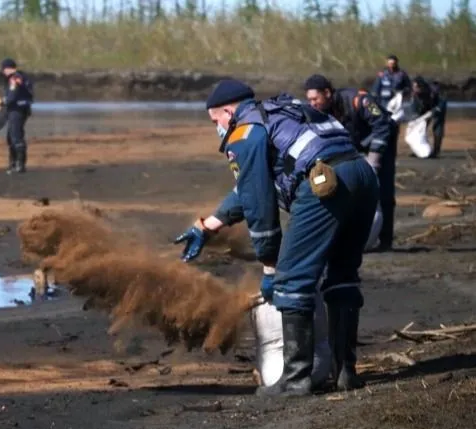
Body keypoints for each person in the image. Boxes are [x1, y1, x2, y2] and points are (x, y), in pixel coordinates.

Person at [174, 79, 379, 397]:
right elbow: (250, 187)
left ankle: (295, 380)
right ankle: (345, 372)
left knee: (292, 280)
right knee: (342, 275)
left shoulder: (245, 131)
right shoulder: (287, 110)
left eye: (216, 121)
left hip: (325, 184)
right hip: (363, 177)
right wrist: (206, 226)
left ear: (228, 111)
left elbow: (258, 203)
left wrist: (271, 266)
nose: (217, 127)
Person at [304, 74, 398, 252]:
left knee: (383, 190)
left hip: (383, 140)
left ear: (327, 93)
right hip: (356, 142)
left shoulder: (359, 100)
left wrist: (374, 159)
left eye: (315, 99)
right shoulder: (320, 112)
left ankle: (385, 241)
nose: (313, 104)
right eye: (309, 100)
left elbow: (382, 126)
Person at [1, 58, 34, 174]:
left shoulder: (14, 78)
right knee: (12, 136)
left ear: (6, 68)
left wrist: (3, 101)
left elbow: (13, 94)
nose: (3, 72)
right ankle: (15, 164)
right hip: (23, 109)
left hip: (16, 110)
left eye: (3, 69)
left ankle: (18, 165)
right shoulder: (23, 77)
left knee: (15, 137)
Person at [411, 76, 447, 159]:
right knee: (419, 127)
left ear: (421, 87)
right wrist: (416, 117)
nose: (414, 89)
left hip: (438, 106)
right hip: (425, 107)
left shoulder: (435, 90)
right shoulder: (415, 94)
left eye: (416, 87)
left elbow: (442, 102)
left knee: (437, 127)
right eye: (413, 87)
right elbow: (415, 107)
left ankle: (436, 151)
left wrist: (434, 111)